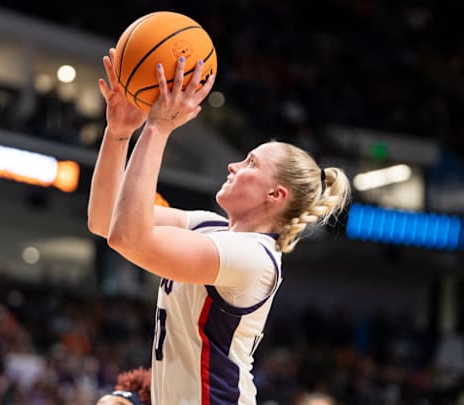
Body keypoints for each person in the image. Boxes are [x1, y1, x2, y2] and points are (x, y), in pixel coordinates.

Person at [88, 48, 351, 405]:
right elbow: (106, 220)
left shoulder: (254, 259)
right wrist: (118, 134)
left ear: (275, 194)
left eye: (250, 163)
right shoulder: (208, 226)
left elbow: (128, 238)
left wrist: (158, 128)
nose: (233, 165)